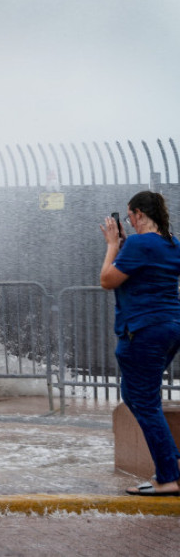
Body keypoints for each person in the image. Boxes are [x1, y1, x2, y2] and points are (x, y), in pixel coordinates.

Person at [100, 190, 180, 495]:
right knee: (134, 396)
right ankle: (172, 462)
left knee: (144, 402)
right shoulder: (173, 243)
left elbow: (107, 279)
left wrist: (112, 246)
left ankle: (168, 478)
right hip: (171, 327)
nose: (129, 222)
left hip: (142, 331)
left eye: (130, 216)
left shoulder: (138, 242)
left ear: (140, 214)